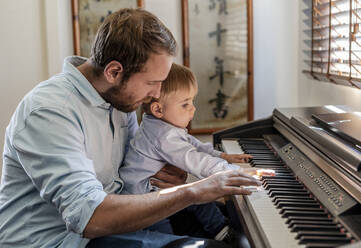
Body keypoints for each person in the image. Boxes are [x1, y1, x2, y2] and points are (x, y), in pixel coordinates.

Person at [0, 8, 270, 248]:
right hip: (63, 240)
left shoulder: (117, 99)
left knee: (232, 227)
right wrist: (190, 191)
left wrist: (172, 179)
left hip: (110, 226)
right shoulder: (50, 111)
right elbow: (89, 217)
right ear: (114, 72)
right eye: (152, 82)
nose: (156, 94)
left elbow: (135, 167)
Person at [120, 63, 253, 241]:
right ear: (158, 109)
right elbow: (193, 159)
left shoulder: (161, 125)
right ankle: (220, 231)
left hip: (155, 193)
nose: (193, 108)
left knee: (197, 197)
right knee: (168, 233)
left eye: (192, 101)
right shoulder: (163, 136)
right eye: (185, 104)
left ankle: (220, 229)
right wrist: (233, 171)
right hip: (144, 203)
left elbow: (193, 144)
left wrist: (221, 156)